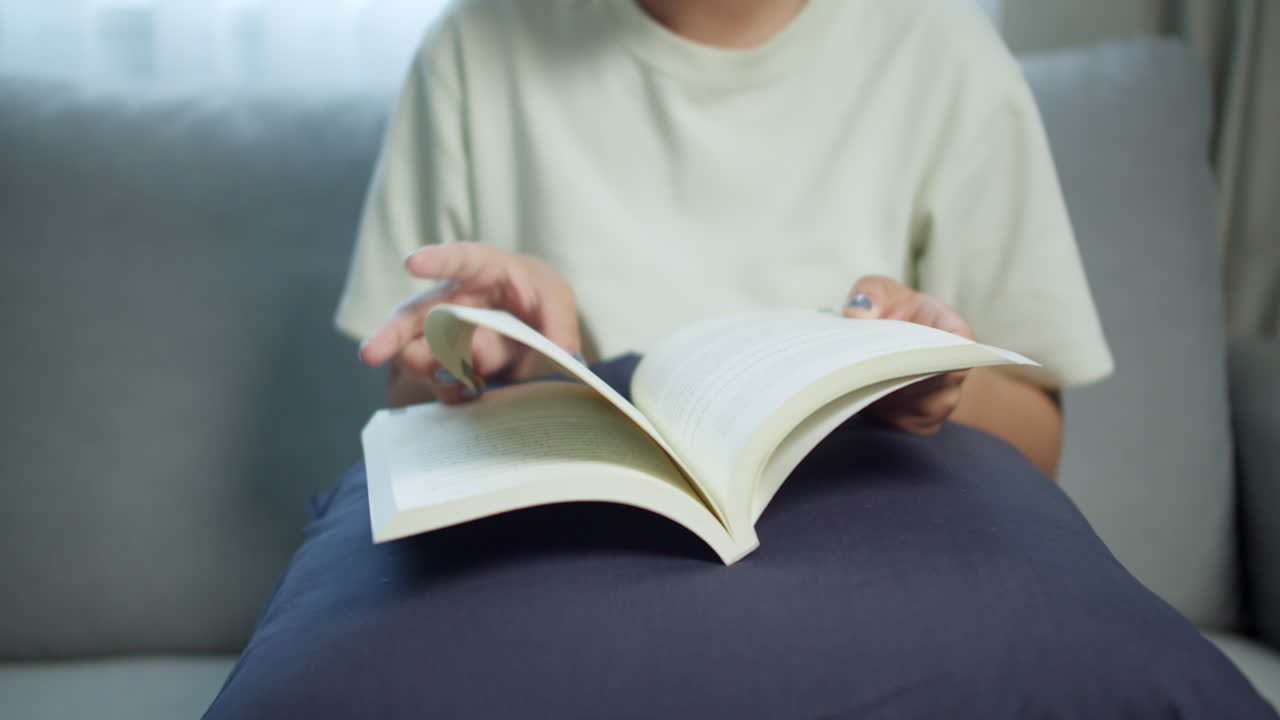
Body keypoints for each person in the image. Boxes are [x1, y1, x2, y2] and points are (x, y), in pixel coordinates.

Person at [334, 0, 1114, 480]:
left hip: (866, 551)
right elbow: (411, 398)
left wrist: (921, 384)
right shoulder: (475, 43)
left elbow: (1038, 449)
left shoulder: (945, 49)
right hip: (566, 555)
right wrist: (494, 358)